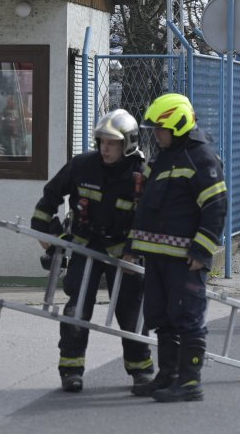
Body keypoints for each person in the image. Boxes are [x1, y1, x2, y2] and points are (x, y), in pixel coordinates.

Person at [30, 109, 154, 393]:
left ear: (128, 143)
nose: (105, 148)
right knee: (76, 309)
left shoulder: (142, 174)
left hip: (124, 253)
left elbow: (150, 218)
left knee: (131, 313)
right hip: (86, 246)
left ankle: (141, 370)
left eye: (112, 142)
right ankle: (71, 370)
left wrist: (134, 250)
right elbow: (49, 198)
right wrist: (48, 234)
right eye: (102, 141)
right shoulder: (82, 166)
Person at [123, 92, 226, 403]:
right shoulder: (166, 156)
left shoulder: (201, 158)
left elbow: (216, 207)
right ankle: (168, 375)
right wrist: (133, 244)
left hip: (184, 260)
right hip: (157, 257)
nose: (156, 133)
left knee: (187, 318)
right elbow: (148, 208)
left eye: (160, 128)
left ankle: (190, 381)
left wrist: (201, 251)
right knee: (161, 317)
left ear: (178, 125)